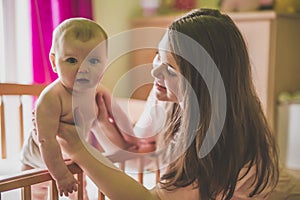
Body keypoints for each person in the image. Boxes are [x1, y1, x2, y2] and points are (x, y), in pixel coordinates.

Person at [57, 8, 300, 200]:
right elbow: (140, 153)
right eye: (158, 56)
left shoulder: (212, 137)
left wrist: (80, 150)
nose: (155, 72)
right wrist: (101, 121)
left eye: (171, 69)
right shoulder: (168, 98)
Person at [20, 17, 134, 199]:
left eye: (93, 61)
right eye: (72, 60)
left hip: (72, 160)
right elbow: (46, 141)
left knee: (81, 192)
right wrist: (61, 175)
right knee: (35, 195)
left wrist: (132, 138)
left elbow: (119, 117)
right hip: (37, 165)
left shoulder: (98, 91)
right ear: (54, 62)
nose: (84, 68)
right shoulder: (51, 98)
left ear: (106, 62)